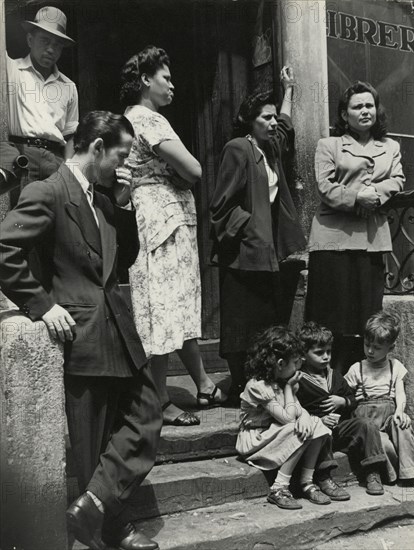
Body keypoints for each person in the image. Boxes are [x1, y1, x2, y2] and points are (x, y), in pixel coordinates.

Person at [0, 111, 162, 550]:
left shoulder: (105, 196)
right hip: (80, 331)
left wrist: (125, 204)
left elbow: (123, 258)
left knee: (149, 410)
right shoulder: (48, 191)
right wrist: (41, 304)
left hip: (116, 329)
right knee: (93, 442)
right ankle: (112, 530)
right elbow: (4, 249)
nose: (124, 166)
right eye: (121, 156)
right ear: (95, 149)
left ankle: (93, 505)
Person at [120, 45, 226, 426]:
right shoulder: (148, 120)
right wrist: (178, 174)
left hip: (165, 216)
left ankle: (200, 383)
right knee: (164, 307)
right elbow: (194, 169)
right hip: (161, 218)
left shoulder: (140, 119)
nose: (172, 85)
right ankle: (160, 401)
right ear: (146, 80)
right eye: (166, 77)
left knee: (175, 304)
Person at [210, 68, 306, 405]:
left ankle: (260, 386)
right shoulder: (238, 149)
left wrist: (289, 90)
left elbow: (284, 125)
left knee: (265, 324)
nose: (270, 123)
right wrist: (248, 226)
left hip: (266, 255)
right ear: (250, 121)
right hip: (243, 255)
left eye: (270, 117)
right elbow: (220, 203)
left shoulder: (270, 149)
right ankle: (241, 387)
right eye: (264, 118)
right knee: (241, 326)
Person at [305, 81, 405, 373]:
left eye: (369, 105)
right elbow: (324, 187)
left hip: (372, 239)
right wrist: (355, 197)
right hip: (333, 239)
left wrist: (374, 195)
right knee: (329, 318)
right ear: (344, 114)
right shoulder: (329, 145)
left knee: (366, 318)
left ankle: (359, 383)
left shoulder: (391, 147)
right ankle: (325, 382)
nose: (365, 111)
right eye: (357, 106)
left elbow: (397, 179)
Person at [236, 326, 333, 510]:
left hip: (275, 431)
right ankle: (279, 487)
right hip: (257, 438)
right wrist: (289, 389)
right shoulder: (259, 386)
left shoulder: (281, 380)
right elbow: (288, 419)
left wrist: (304, 415)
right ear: (280, 364)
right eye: (295, 362)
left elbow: (297, 409)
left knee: (316, 424)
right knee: (296, 429)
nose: (299, 367)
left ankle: (306, 481)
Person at [297, 322, 388, 496]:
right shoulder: (299, 380)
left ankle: (373, 471)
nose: (326, 357)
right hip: (315, 435)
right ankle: (324, 477)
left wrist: (343, 402)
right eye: (319, 353)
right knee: (321, 430)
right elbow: (294, 410)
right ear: (303, 355)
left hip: (339, 430)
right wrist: (318, 420)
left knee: (366, 424)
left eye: (329, 352)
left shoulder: (334, 376)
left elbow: (354, 400)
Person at [1, 6, 79, 199]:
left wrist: (69, 172)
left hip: (56, 160)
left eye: (58, 44)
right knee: (20, 221)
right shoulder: (9, 70)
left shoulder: (69, 86)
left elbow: (70, 137)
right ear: (30, 40)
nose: (51, 49)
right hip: (21, 157)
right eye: (45, 41)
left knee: (54, 221)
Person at [345, 311, 414, 489]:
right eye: (367, 345)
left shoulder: (396, 367)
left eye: (377, 347)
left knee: (402, 426)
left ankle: (411, 473)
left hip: (388, 418)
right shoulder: (357, 368)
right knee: (384, 444)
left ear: (391, 348)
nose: (370, 351)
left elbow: (400, 394)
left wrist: (400, 412)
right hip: (367, 424)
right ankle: (393, 475)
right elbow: (345, 394)